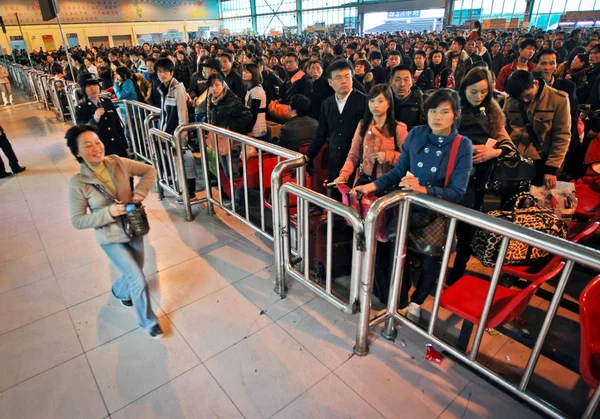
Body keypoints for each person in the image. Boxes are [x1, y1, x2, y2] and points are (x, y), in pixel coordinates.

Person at [350, 89, 473, 321]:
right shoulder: (416, 134)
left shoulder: (462, 145)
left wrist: (423, 190)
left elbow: (457, 192)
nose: (437, 117)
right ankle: (399, 300)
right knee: (399, 255)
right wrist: (371, 187)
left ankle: (417, 301)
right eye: (432, 111)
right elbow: (397, 172)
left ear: (456, 114)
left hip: (435, 212)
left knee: (430, 261)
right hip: (406, 208)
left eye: (444, 112)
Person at [66, 125, 162, 339]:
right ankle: (149, 322)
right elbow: (77, 220)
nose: (96, 148)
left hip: (133, 228)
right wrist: (108, 212)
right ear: (77, 153)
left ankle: (119, 291)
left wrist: (139, 192)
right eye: (88, 146)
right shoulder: (78, 183)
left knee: (134, 271)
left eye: (97, 142)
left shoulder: (117, 162)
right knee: (137, 277)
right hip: (110, 237)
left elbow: (149, 170)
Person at [446, 67, 517, 284]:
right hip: (450, 176)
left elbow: (508, 144)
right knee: (446, 221)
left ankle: (460, 265)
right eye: (474, 91)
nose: (479, 97)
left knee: (467, 226)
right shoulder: (452, 108)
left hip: (476, 180)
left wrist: (493, 151)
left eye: (484, 92)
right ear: (464, 88)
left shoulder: (493, 112)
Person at [305, 59, 367, 190]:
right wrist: (309, 155)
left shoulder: (364, 101)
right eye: (338, 78)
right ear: (330, 82)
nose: (344, 81)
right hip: (334, 160)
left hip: (357, 163)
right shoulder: (327, 104)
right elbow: (321, 134)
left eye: (347, 77)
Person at [504, 70, 571, 189]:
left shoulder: (558, 99)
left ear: (535, 83)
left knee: (535, 202)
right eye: (520, 99)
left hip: (540, 162)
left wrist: (551, 169)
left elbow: (562, 136)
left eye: (527, 96)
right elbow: (504, 129)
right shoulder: (510, 100)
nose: (524, 101)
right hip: (513, 160)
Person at [206, 73, 252, 209]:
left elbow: (247, 115)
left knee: (233, 172)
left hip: (231, 142)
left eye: (217, 85)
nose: (214, 88)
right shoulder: (212, 99)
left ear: (222, 84)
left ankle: (239, 202)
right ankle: (236, 199)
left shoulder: (231, 99)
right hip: (220, 140)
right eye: (211, 86)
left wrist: (229, 128)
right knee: (228, 171)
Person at [75, 73, 128, 158]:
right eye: (89, 86)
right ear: (83, 89)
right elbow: (82, 131)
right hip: (100, 150)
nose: (93, 88)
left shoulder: (107, 102)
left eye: (95, 84)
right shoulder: (81, 108)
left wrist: (125, 145)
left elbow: (118, 125)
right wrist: (94, 119)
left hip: (117, 147)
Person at [390, 65, 425, 132]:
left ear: (412, 82)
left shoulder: (421, 101)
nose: (402, 84)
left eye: (406, 80)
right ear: (391, 82)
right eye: (397, 80)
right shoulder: (385, 101)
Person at [242, 63, 267, 140]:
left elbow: (254, 112)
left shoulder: (256, 90)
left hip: (257, 129)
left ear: (254, 73)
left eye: (247, 72)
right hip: (253, 126)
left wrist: (249, 130)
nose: (244, 73)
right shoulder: (251, 89)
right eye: (243, 71)